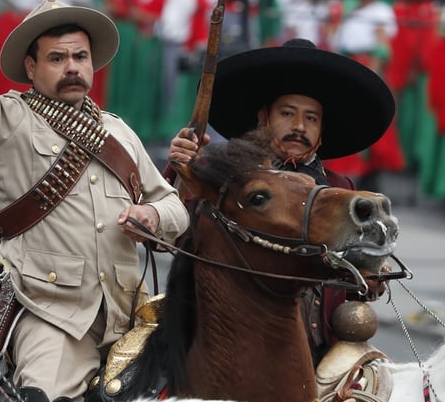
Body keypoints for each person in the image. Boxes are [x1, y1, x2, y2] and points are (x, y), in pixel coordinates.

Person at [0, 0, 190, 402]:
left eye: (80, 57)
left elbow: (171, 206)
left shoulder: (118, 131)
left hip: (129, 316)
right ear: (31, 68)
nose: (71, 67)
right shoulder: (2, 123)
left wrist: (154, 217)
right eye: (57, 58)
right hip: (52, 319)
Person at [166, 37, 396, 363]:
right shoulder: (230, 179)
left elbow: (349, 280)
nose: (299, 127)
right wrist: (181, 171)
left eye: (311, 119)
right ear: (264, 118)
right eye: (287, 114)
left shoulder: (340, 188)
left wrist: (370, 271)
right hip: (234, 344)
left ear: (321, 132)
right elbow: (177, 232)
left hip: (318, 348)